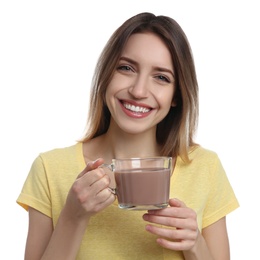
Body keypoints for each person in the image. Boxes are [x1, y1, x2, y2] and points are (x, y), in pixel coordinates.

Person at [17, 12, 239, 260]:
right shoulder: (50, 169)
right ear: (106, 75)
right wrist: (73, 216)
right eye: (126, 68)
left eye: (161, 77)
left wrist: (194, 243)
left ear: (176, 95)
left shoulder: (204, 168)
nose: (138, 90)